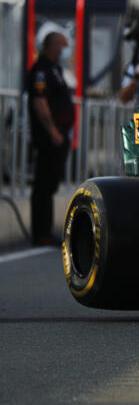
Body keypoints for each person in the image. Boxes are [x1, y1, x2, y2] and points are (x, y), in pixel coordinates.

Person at [26, 31, 74, 246]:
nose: (65, 51)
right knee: (43, 184)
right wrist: (53, 131)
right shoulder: (41, 70)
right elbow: (40, 102)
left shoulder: (55, 69)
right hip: (47, 136)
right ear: (53, 46)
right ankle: (41, 232)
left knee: (51, 183)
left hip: (58, 134)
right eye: (63, 46)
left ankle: (46, 230)